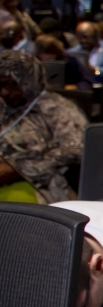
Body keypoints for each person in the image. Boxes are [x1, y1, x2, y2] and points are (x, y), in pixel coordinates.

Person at [0, 50, 85, 203]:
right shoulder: (3, 108)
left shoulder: (56, 109)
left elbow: (76, 150)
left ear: (27, 80)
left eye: (9, 84)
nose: (4, 92)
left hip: (40, 186)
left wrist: (18, 169)